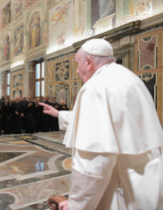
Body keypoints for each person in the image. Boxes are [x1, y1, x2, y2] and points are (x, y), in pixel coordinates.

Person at [40, 39, 163, 210]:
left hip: (120, 190)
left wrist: (76, 204)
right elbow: (113, 121)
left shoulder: (95, 87)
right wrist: (59, 114)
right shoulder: (129, 78)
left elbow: (94, 162)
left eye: (77, 64)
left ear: (88, 62)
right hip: (148, 185)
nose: (76, 71)